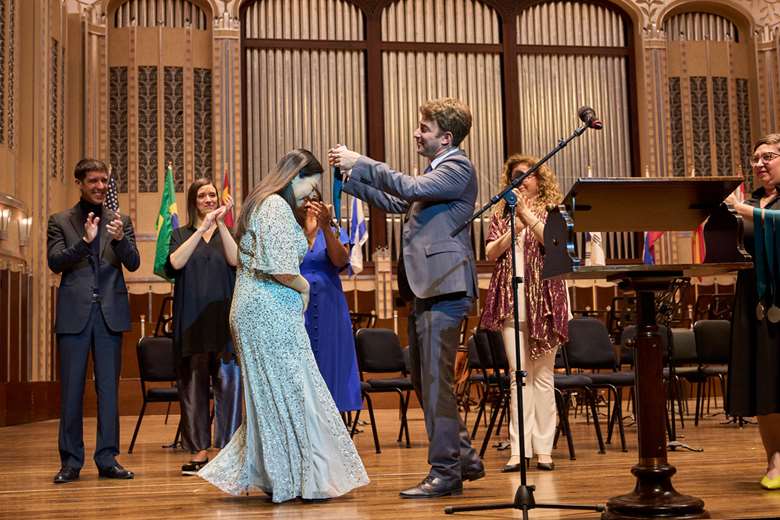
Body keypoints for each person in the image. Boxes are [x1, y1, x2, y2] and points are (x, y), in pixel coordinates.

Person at [329, 97, 484, 499]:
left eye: (424, 128)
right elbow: (399, 200)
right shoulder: (437, 170)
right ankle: (463, 457)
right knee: (425, 377)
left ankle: (445, 472)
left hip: (444, 287)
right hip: (426, 288)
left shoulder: (457, 167)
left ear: (446, 137)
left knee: (434, 382)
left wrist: (361, 161)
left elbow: (409, 188)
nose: (417, 133)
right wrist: (351, 182)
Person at [197, 149, 369, 502]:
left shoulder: (266, 205)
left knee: (280, 396)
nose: (311, 194)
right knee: (295, 392)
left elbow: (281, 256)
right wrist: (304, 287)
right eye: (310, 185)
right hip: (266, 310)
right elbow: (281, 268)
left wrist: (307, 235)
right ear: (294, 177)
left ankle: (285, 474)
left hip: (262, 308)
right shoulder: (275, 206)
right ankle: (298, 476)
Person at [47, 158, 140, 483]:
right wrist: (85, 242)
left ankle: (107, 458)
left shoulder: (120, 220)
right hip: (75, 316)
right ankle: (71, 462)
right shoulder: (60, 220)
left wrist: (120, 240)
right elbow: (55, 262)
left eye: (104, 181)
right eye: (94, 181)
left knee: (108, 391)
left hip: (109, 316)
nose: (100, 187)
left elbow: (132, 263)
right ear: (80, 182)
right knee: (71, 391)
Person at [478, 155, 569, 473]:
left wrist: (527, 216)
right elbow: (489, 252)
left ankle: (544, 450)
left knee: (543, 376)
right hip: (510, 301)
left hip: (545, 299)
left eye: (527, 174)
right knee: (519, 376)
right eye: (515, 175)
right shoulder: (501, 214)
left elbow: (555, 244)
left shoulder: (552, 211)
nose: (521, 179)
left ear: (539, 179)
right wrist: (511, 227)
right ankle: (519, 450)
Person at [164, 178, 242, 476]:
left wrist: (221, 224)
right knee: (193, 388)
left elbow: (235, 260)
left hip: (224, 322)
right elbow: (176, 263)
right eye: (202, 196)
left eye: (212, 195)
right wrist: (202, 228)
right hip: (192, 322)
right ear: (193, 202)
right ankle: (199, 451)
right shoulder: (180, 233)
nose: (209, 199)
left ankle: (228, 451)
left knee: (229, 385)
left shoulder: (229, 233)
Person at [725, 133, 780, 490]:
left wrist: (745, 211)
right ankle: (774, 458)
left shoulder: (753, 205)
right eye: (756, 158)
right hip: (753, 297)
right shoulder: (757, 199)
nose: (759, 163)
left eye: (769, 157)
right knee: (764, 382)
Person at [298, 190, 362, 414]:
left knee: (331, 359)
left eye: (313, 201)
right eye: (304, 201)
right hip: (296, 305)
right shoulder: (290, 231)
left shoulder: (334, 230)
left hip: (329, 306)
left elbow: (340, 260)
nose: (309, 205)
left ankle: (334, 421)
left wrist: (325, 227)